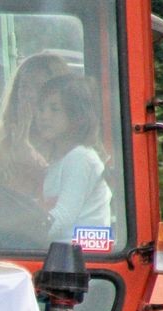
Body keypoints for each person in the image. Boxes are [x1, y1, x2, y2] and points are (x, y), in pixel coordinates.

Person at [32, 74, 112, 241]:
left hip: (79, 258)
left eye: (54, 109)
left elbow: (62, 217)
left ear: (77, 115)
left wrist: (22, 234)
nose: (44, 116)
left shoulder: (80, 158)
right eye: (41, 109)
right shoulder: (59, 161)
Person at [0, 53, 72, 200]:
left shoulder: (75, 146)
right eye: (24, 86)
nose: (29, 94)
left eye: (39, 87)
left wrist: (29, 158)